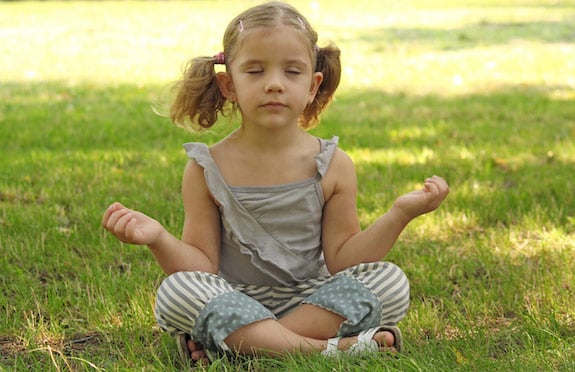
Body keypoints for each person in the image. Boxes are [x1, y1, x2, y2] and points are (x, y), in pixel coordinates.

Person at [102, 1, 449, 365]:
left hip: (315, 299)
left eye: (292, 72)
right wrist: (158, 237)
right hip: (234, 297)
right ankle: (326, 350)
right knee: (177, 291)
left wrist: (400, 213)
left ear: (313, 85)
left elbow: (345, 259)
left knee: (390, 282)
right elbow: (201, 267)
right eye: (254, 71)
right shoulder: (207, 168)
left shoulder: (333, 165)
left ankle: (241, 345)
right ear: (228, 84)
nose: (273, 84)